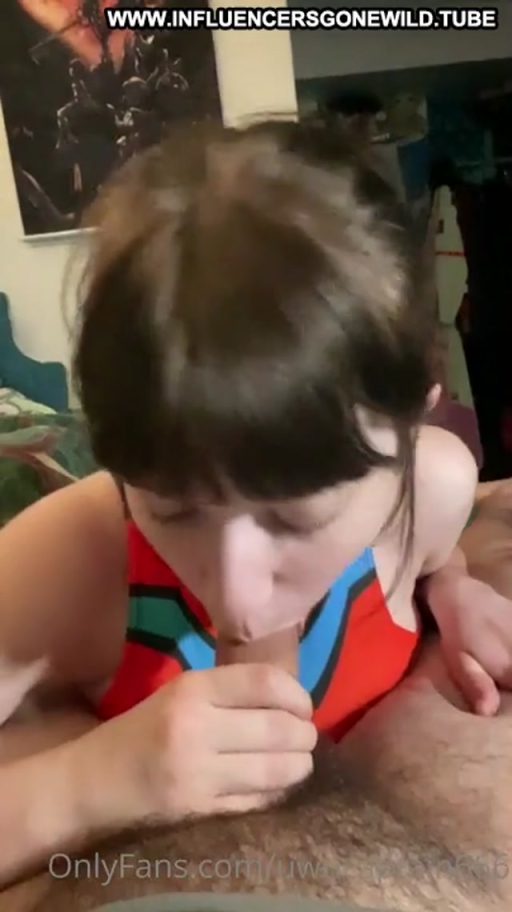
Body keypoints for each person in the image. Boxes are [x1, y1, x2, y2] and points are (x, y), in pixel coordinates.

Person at [2, 118, 512, 890]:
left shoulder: (435, 487)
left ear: (409, 429)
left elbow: (440, 548)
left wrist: (450, 587)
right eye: (173, 508)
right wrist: (98, 779)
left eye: (296, 518)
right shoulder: (75, 559)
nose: (237, 600)